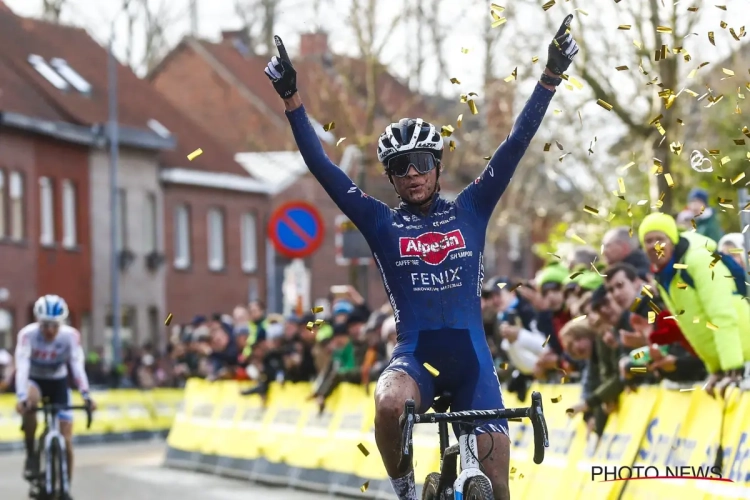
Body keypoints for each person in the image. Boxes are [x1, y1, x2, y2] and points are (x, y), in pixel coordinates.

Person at [264, 15, 578, 500]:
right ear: (389, 177)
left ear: (437, 166)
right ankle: (406, 490)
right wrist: (292, 100)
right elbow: (323, 168)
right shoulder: (380, 222)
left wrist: (550, 78)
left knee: (496, 489)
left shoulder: (472, 208)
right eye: (399, 167)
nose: (412, 174)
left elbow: (515, 144)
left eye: (422, 163)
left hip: (472, 363)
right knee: (388, 402)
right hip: (417, 361)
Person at [638, 212, 750, 396]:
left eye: (660, 238)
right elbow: (691, 326)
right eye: (648, 241)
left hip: (745, 355)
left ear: (673, 240)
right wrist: (715, 369)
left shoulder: (699, 260)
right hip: (730, 364)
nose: (654, 245)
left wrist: (732, 366)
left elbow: (721, 313)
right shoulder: (664, 276)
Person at [14, 295, 96, 500]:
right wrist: (21, 397)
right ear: (38, 321)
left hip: (59, 382)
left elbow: (77, 367)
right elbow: (22, 367)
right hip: (35, 381)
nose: (50, 330)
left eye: (55, 325)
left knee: (67, 440)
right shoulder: (28, 335)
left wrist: (86, 395)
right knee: (30, 404)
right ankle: (32, 453)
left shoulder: (70, 336)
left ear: (62, 323)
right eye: (45, 325)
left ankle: (66, 486)